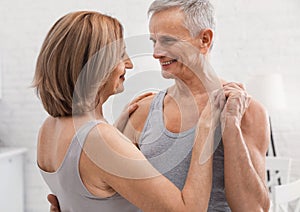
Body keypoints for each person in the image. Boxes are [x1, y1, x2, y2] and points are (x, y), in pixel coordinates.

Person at [48, 0, 271, 211]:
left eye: (168, 41)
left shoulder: (246, 111)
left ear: (204, 40)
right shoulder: (143, 112)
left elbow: (254, 209)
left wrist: (230, 127)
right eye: (154, 42)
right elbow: (111, 191)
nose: (156, 53)